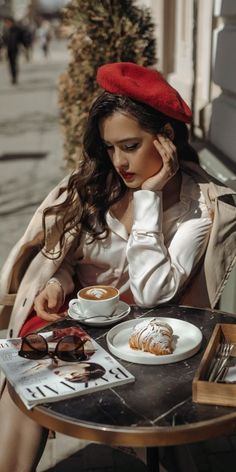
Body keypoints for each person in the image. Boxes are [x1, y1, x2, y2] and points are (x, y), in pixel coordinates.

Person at [0, 62, 235, 471]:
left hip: (145, 334)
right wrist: (57, 280)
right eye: (110, 147)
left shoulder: (198, 208)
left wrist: (150, 198)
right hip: (77, 322)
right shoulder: (93, 183)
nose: (119, 161)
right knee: (25, 383)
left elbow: (151, 293)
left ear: (166, 141)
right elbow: (66, 255)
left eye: (130, 145)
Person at [2, 16, 29, 85]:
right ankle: (12, 76)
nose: (7, 24)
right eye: (6, 23)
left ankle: (14, 77)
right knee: (10, 64)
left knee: (14, 63)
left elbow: (23, 38)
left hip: (15, 49)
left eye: (9, 22)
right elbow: (3, 40)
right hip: (8, 49)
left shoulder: (17, 29)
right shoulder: (5, 30)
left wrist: (25, 46)